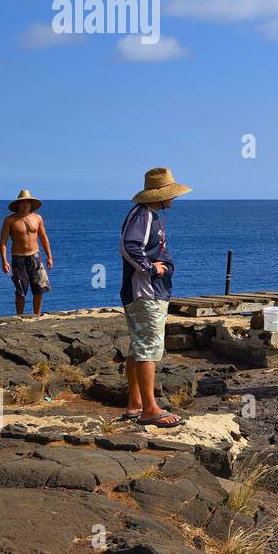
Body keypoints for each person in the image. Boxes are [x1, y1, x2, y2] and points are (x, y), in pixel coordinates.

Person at [119, 166, 191, 428]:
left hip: (143, 290)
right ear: (159, 195)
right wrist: (151, 268)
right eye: (171, 194)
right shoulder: (144, 215)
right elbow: (129, 245)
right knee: (149, 346)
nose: (174, 198)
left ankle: (135, 403)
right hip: (146, 291)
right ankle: (149, 408)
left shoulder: (147, 214)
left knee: (138, 347)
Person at [0, 190, 53, 316]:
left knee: (39, 289)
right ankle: (20, 316)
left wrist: (49, 256)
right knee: (20, 290)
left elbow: (44, 237)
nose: (25, 205)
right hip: (18, 257)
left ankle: (37, 316)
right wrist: (4, 260)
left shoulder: (37, 218)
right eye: (22, 203)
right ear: (18, 204)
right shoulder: (10, 220)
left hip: (35, 256)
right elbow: (3, 241)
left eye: (27, 202)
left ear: (31, 204)